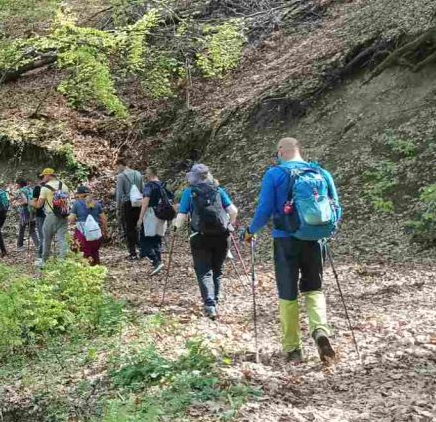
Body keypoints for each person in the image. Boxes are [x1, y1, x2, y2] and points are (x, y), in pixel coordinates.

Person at [244, 137, 340, 365]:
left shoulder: (274, 174)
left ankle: (293, 349)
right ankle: (320, 331)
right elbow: (336, 207)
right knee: (314, 288)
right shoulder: (321, 173)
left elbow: (265, 209)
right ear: (299, 151)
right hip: (316, 240)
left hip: (285, 240)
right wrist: (325, 231)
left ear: (280, 152)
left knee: (287, 293)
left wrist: (250, 231)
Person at [172, 164, 238, 320]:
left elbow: (181, 217)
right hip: (222, 236)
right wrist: (230, 224)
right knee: (217, 269)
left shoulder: (189, 192)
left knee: (203, 271)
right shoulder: (218, 190)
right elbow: (233, 211)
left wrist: (175, 227)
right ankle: (215, 299)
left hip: (200, 236)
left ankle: (209, 305)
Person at [33, 168, 70, 265]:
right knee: (63, 239)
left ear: (49, 175)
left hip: (51, 215)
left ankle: (44, 261)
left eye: (44, 176)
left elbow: (38, 205)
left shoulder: (45, 188)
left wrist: (31, 202)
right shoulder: (64, 186)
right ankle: (64, 261)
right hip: (63, 214)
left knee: (47, 239)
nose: (43, 178)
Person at [137, 167, 170, 275]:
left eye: (146, 173)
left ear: (150, 174)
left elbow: (145, 202)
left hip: (151, 214)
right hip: (163, 214)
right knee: (157, 238)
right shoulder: (163, 185)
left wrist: (140, 218)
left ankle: (155, 261)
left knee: (144, 241)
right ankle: (158, 263)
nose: (145, 175)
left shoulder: (149, 186)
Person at [115, 159, 144, 261]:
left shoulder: (121, 176)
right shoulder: (138, 174)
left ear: (121, 165)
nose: (117, 170)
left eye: (117, 167)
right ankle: (142, 250)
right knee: (138, 227)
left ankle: (133, 253)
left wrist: (118, 208)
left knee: (129, 228)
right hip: (139, 203)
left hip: (127, 204)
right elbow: (142, 189)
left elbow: (119, 194)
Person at [70, 186, 105, 265]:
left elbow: (71, 219)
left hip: (83, 235)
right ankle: (97, 267)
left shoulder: (77, 204)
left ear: (79, 195)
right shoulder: (97, 204)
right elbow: (104, 219)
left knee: (83, 251)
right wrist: (105, 231)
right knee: (95, 250)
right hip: (96, 233)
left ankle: (86, 269)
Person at [15, 178, 40, 252]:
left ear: (19, 184)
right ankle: (38, 246)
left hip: (24, 212)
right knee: (32, 230)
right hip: (32, 211)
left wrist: (18, 204)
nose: (16, 185)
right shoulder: (30, 189)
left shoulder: (22, 190)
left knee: (21, 229)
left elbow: (25, 201)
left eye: (17, 184)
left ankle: (20, 246)